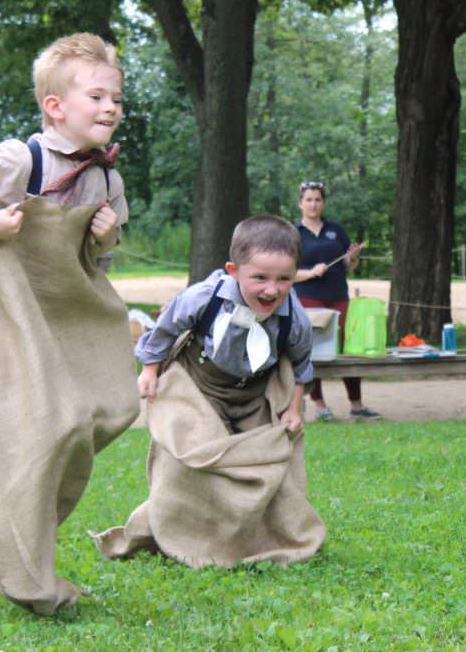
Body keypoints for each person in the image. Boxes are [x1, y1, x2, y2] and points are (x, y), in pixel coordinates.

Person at [0, 33, 139, 613]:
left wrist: (105, 230)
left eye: (116, 97)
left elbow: (98, 253)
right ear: (55, 106)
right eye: (97, 96)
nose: (111, 106)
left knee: (115, 407)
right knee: (52, 423)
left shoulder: (106, 177)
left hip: (67, 312)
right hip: (10, 312)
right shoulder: (21, 159)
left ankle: (32, 520)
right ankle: (26, 566)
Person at [92, 215, 326, 568]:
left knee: (262, 466)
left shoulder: (294, 318)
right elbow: (165, 329)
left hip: (251, 395)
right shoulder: (205, 297)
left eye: (284, 279)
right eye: (259, 278)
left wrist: (294, 409)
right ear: (233, 270)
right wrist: (150, 372)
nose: (272, 290)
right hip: (197, 387)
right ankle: (163, 533)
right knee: (186, 465)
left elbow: (301, 365)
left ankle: (252, 540)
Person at [294, 180, 382, 422]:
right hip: (307, 296)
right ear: (300, 203)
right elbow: (286, 272)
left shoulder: (336, 230)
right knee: (316, 349)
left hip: (338, 296)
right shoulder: (293, 233)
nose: (313, 204)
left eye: (318, 199)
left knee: (346, 347)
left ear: (323, 203)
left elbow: (350, 266)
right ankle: (320, 405)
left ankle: (357, 405)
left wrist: (353, 258)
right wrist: (311, 272)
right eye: (309, 199)